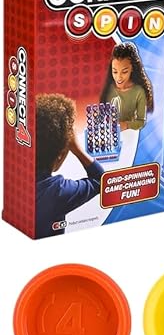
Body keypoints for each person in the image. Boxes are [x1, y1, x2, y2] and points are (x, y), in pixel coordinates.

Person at [35, 93, 104, 237]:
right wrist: (77, 149)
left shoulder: (15, 177)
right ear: (60, 155)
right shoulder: (56, 191)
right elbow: (101, 180)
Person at [100, 42, 154, 130]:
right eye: (115, 72)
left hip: (129, 134)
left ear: (132, 68)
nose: (118, 77)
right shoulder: (109, 88)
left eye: (124, 72)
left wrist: (125, 125)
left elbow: (141, 122)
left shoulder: (139, 91)